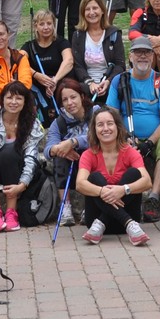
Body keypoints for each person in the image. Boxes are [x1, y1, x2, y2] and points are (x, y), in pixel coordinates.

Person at [105, 37, 160, 221]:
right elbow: (112, 115)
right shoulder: (119, 81)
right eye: (138, 52)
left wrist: (149, 143)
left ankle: (153, 198)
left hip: (155, 139)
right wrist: (124, 137)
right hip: (125, 137)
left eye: (147, 52)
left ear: (153, 57)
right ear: (130, 56)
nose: (142, 56)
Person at [0, 80, 47, 232]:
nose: (13, 102)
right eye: (9, 97)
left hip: (17, 170)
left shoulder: (31, 123)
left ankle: (11, 213)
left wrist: (22, 185)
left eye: (18, 98)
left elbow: (31, 158)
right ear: (2, 100)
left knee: (9, 153)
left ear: (25, 102)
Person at [75, 105, 150, 246]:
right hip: (95, 224)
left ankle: (114, 222)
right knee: (94, 178)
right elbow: (80, 184)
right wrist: (102, 191)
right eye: (100, 125)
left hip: (122, 225)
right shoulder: (88, 154)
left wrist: (123, 190)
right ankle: (126, 223)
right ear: (94, 129)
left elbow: (147, 182)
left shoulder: (130, 152)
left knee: (134, 174)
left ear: (117, 127)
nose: (105, 128)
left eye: (110, 123)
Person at [43, 78, 92, 226]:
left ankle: (90, 206)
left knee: (90, 154)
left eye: (73, 97)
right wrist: (59, 149)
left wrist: (73, 142)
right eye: (65, 100)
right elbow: (47, 150)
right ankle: (66, 207)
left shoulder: (96, 113)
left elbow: (98, 137)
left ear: (81, 96)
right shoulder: (59, 122)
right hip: (71, 165)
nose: (70, 103)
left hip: (94, 164)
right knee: (59, 156)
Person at [69, 0, 127, 100]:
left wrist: (108, 81)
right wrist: (90, 83)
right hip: (87, 84)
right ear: (83, 13)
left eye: (95, 8)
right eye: (87, 9)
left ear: (102, 11)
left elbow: (120, 65)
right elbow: (78, 66)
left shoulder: (114, 34)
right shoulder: (77, 35)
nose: (92, 12)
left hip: (109, 82)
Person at [22, 8, 74, 121]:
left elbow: (69, 61)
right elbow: (19, 61)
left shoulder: (61, 42)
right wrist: (36, 75)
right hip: (39, 87)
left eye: (49, 23)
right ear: (35, 26)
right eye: (42, 24)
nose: (46, 27)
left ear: (54, 25)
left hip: (59, 84)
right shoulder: (29, 46)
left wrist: (54, 80)